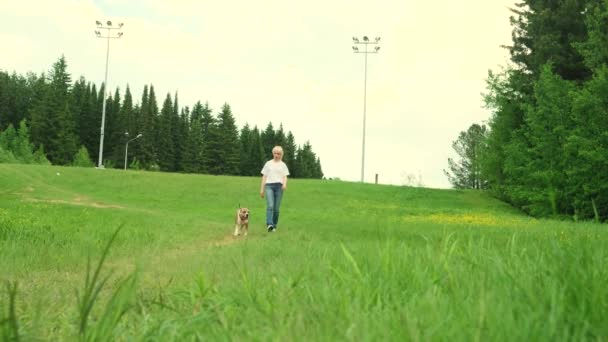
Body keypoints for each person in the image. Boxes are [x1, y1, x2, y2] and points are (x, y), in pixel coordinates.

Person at [260, 146, 290, 232]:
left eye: (279, 154)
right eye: (275, 153)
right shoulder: (268, 163)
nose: (276, 155)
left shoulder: (283, 165)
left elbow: (285, 177)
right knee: (270, 205)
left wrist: (284, 184)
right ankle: (269, 224)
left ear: (281, 155)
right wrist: (262, 189)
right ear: (273, 153)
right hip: (269, 186)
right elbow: (264, 177)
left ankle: (274, 224)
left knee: (276, 209)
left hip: (279, 187)